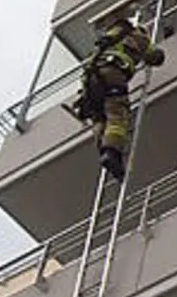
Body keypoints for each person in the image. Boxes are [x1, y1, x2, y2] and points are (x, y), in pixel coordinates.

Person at [69, 12, 165, 180]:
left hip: (89, 80)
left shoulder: (106, 40)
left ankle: (106, 151)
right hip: (112, 73)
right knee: (117, 113)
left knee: (100, 119)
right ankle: (112, 153)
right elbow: (156, 57)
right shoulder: (138, 36)